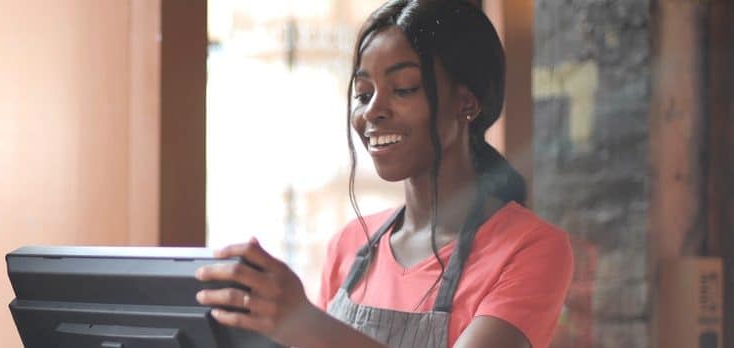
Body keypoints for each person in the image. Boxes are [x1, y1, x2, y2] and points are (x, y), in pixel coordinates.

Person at [195, 1, 573, 347]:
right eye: (363, 93)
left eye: (403, 88)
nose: (372, 111)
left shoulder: (531, 249)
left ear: (466, 102)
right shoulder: (348, 245)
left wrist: (305, 322)